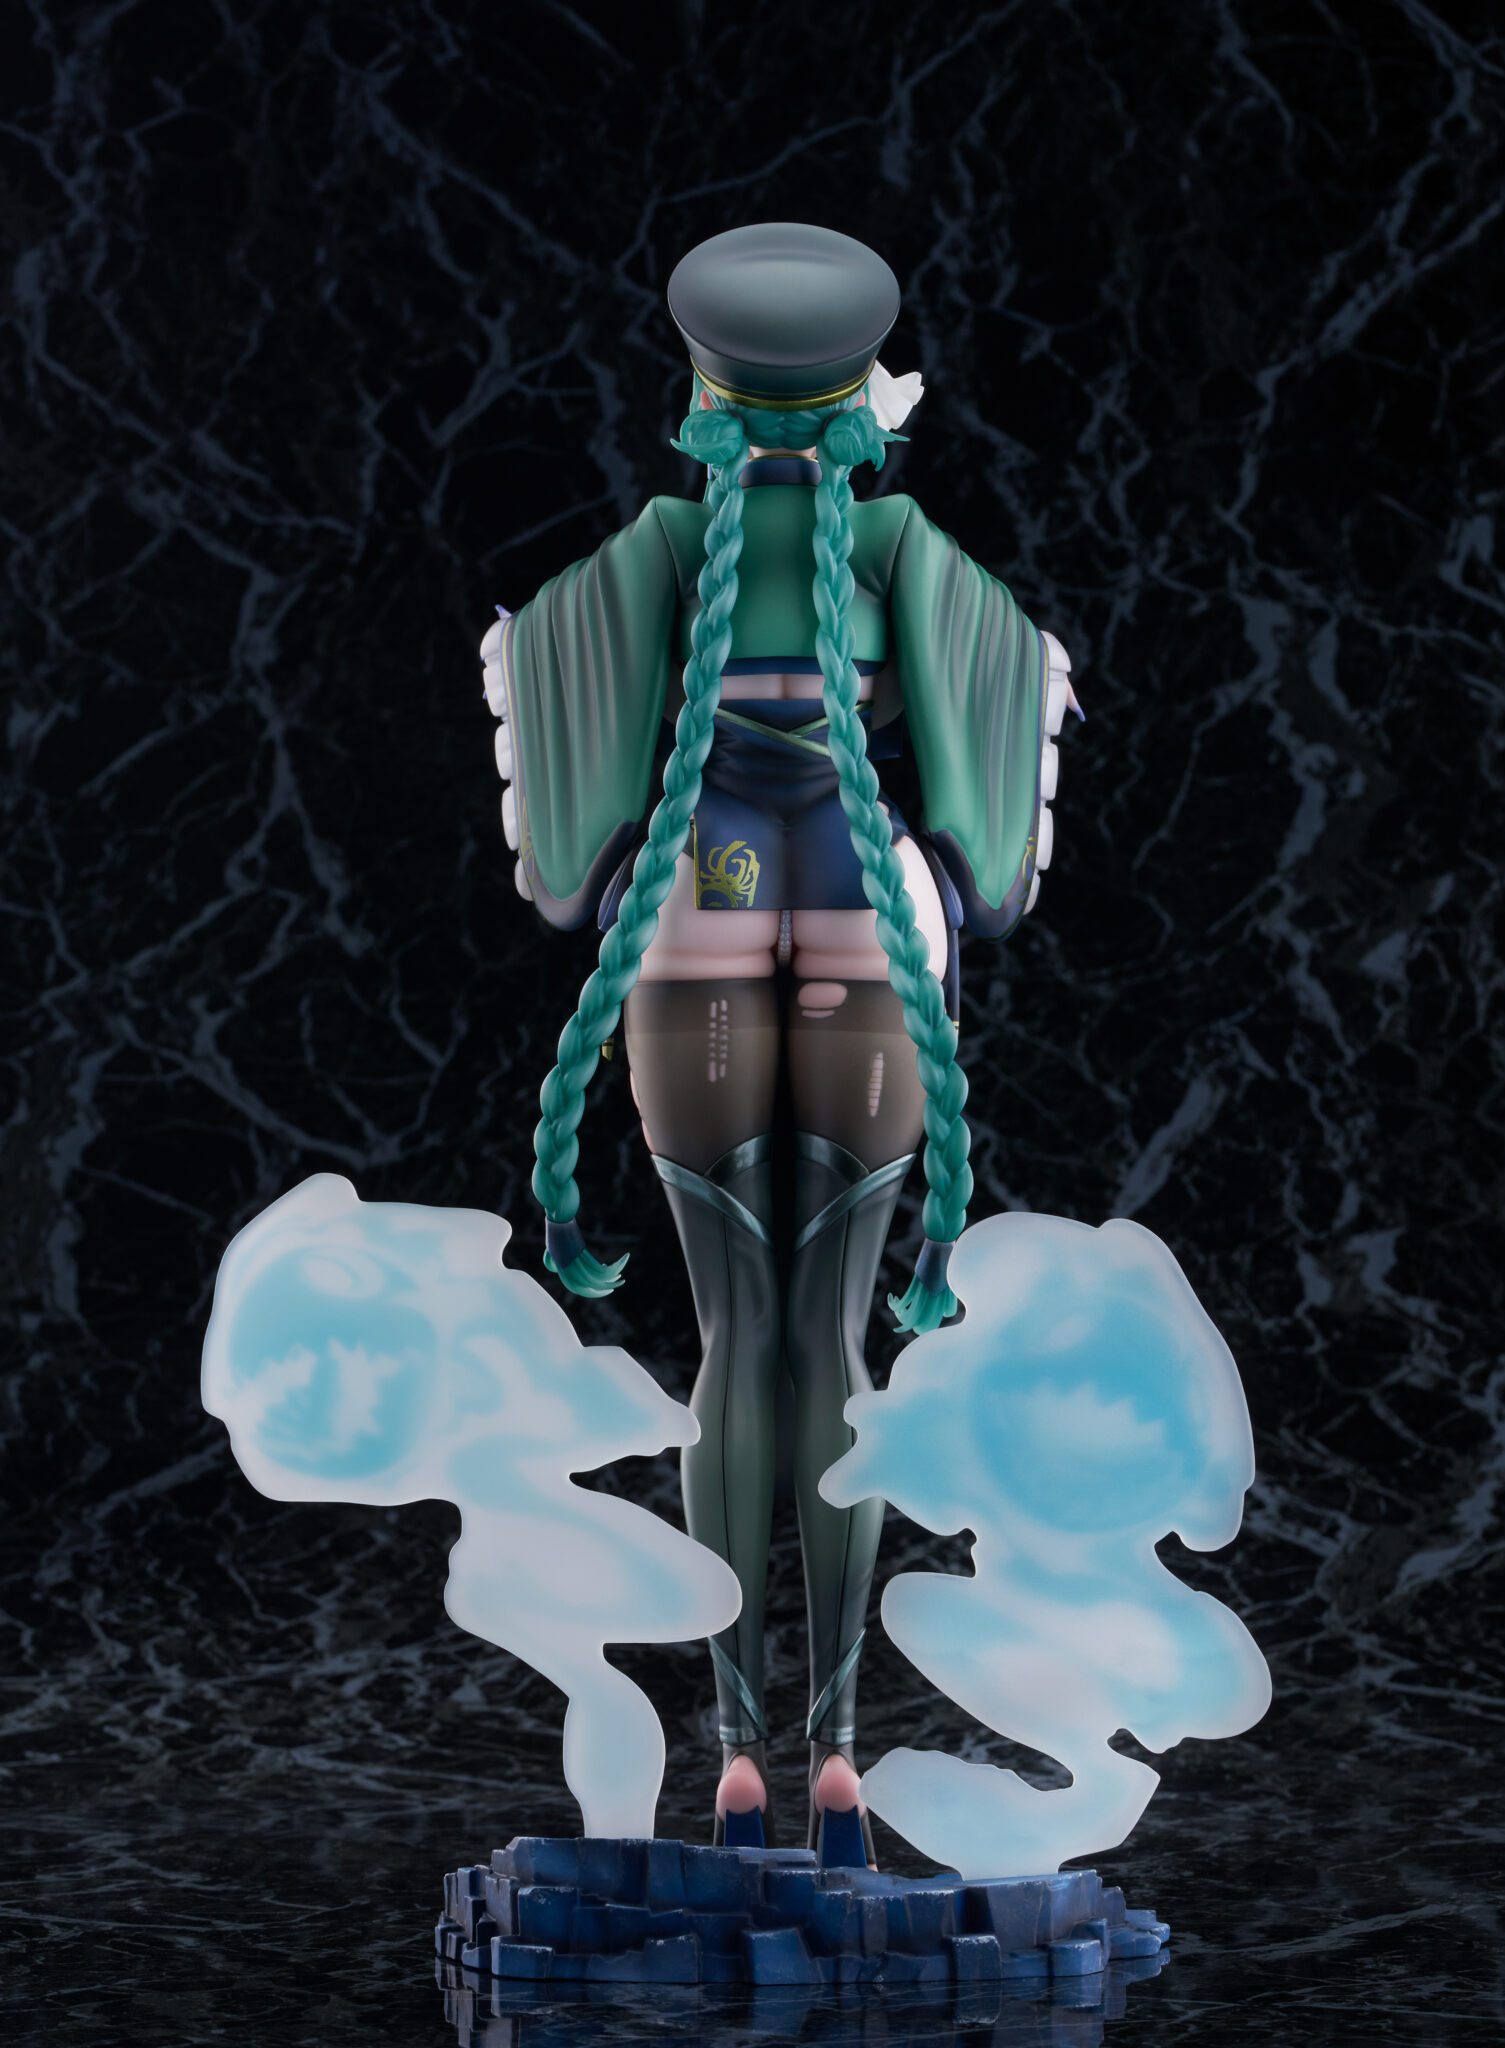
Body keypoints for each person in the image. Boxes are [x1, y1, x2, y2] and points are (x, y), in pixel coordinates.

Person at [476, 224, 1078, 1863]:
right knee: (839, 1352)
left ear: (704, 391)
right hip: (871, 947)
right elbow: (992, 816)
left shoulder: (666, 545)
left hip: (696, 943)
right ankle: (837, 1754)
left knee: (736, 1345)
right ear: (866, 394)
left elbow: (570, 827)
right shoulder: (900, 545)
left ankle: (741, 1752)